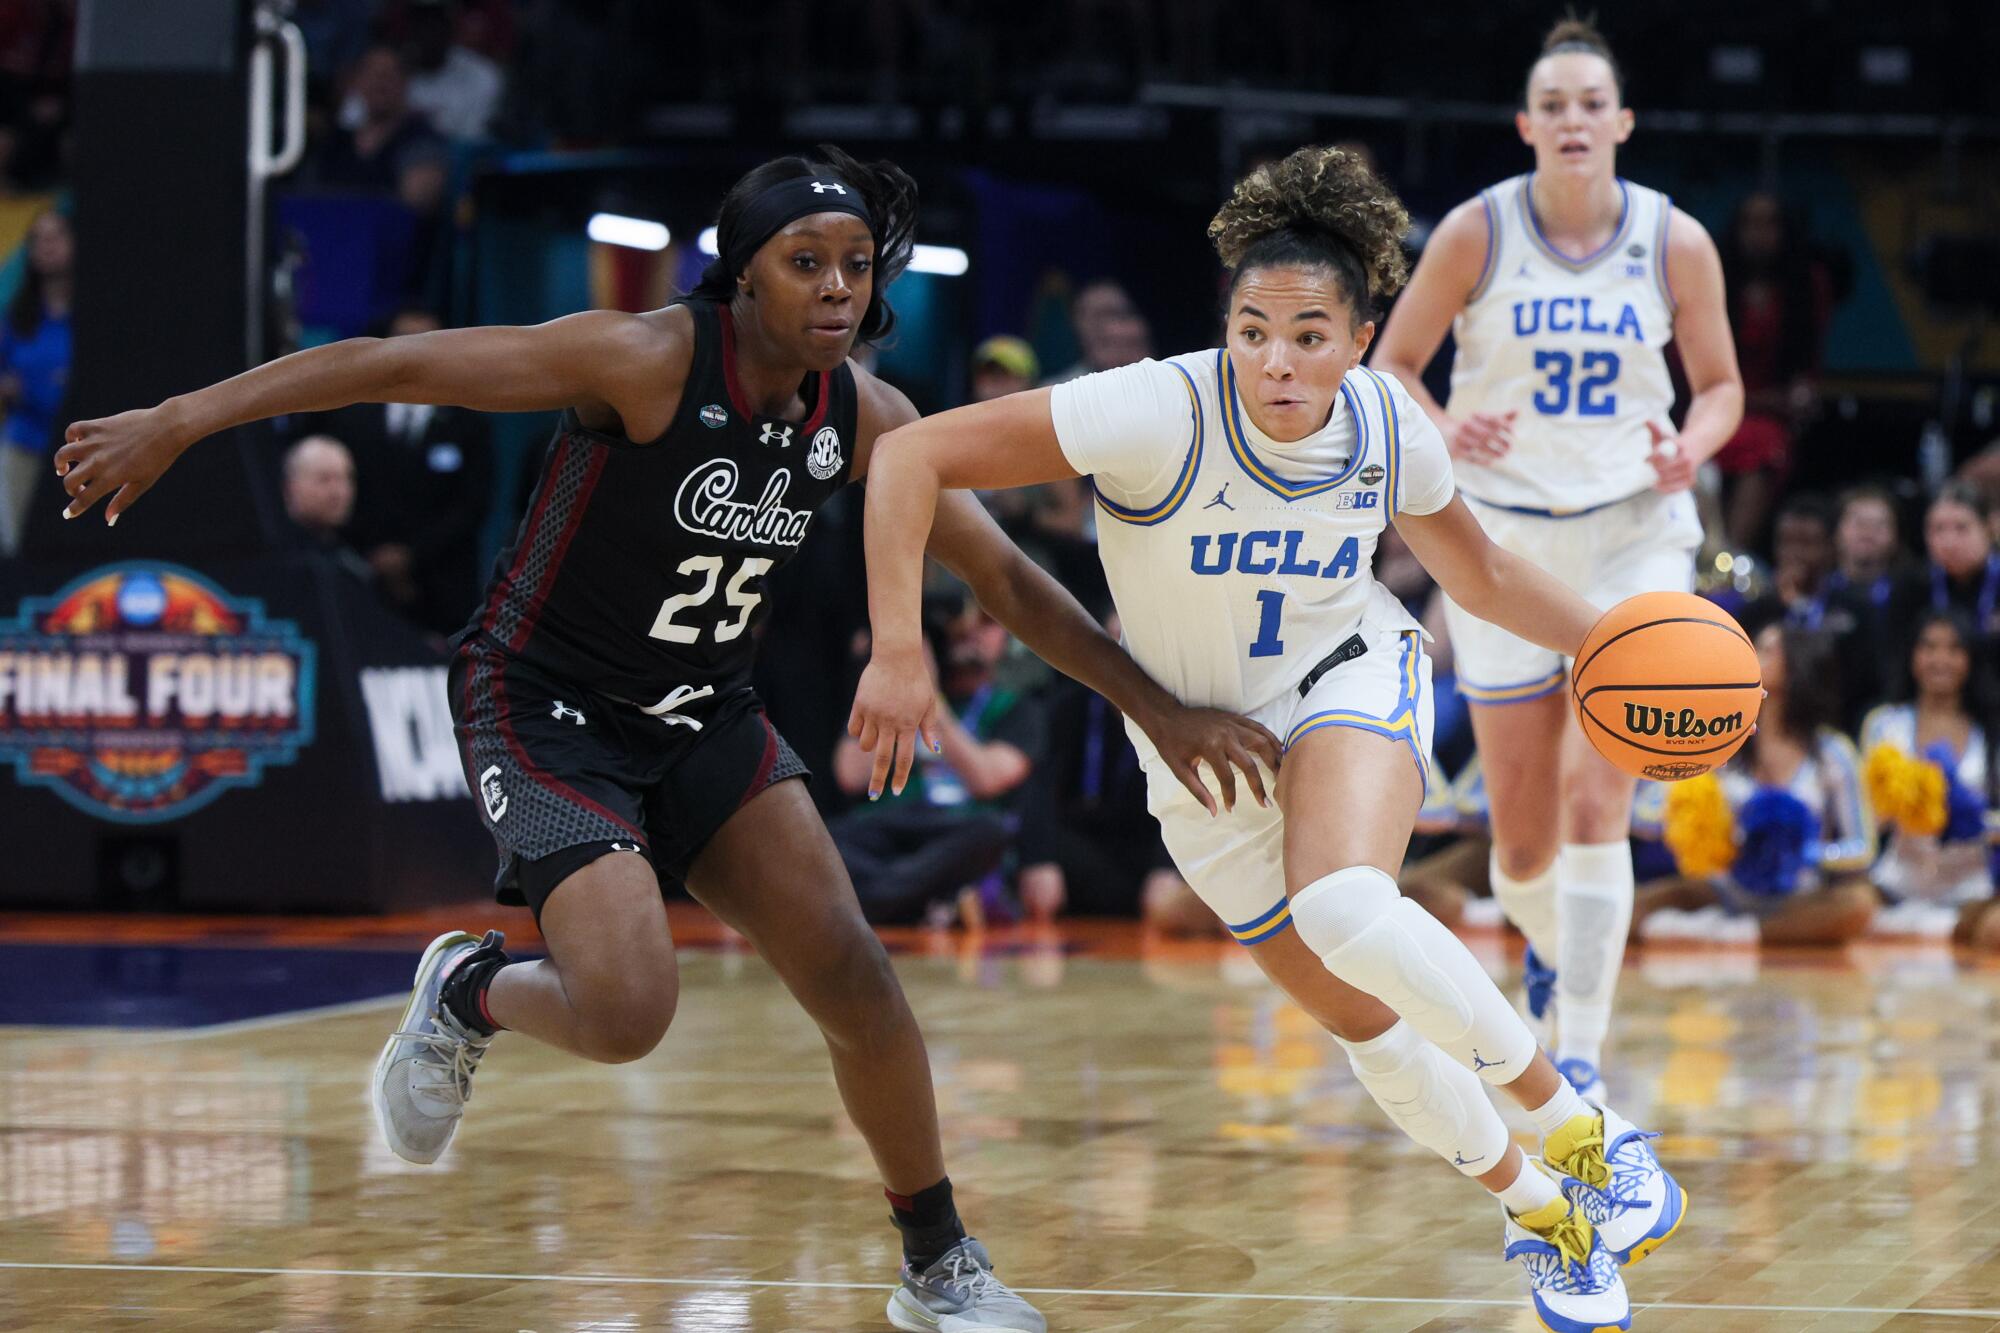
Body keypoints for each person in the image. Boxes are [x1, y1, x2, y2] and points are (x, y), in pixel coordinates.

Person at [54, 145, 1283, 1333]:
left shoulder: (866, 415)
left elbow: (1008, 581)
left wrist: (1158, 709)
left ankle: (937, 1261)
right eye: (806, 262)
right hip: (543, 701)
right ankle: (468, 989)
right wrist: (180, 418)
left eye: (856, 263)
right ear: (742, 272)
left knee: (856, 975)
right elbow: (395, 363)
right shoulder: (642, 359)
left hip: (702, 711)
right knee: (626, 1008)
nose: (838, 288)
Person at [851, 143, 1688, 1332]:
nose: (1275, 359)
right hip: (1197, 755)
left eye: (1306, 335)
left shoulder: (1388, 422)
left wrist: (1617, 641)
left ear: (1359, 340)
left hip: (1347, 674)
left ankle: (1588, 1139)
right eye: (1251, 331)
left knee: (1343, 903)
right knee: (1366, 1024)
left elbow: (1485, 575)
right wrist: (899, 647)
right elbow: (908, 454)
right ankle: (1542, 1212)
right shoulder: (1155, 405)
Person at [1371, 16, 1744, 1101]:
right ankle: (1549, 948)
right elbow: (1394, 365)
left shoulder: (1674, 239)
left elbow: (1721, 387)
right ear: (1526, 125)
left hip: (1634, 532)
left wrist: (1693, 446)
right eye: (1554, 105)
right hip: (1502, 542)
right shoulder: (1476, 231)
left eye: (1591, 103)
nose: (1573, 119)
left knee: (1596, 801)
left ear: (1620, 122)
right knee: (1524, 846)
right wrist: (1448, 426)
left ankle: (1577, 1048)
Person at [1635, 622, 1876, 945]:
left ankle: (1740, 933)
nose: (1752, 655)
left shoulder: (1833, 752)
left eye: (1767, 649)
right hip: (1721, 888)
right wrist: (1709, 832)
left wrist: (1805, 852)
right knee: (1635, 906)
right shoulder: (1716, 740)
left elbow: (1863, 849)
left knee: (1859, 903)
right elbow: (1643, 815)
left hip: (1800, 897)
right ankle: (1729, 932)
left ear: (1799, 662)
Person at [829, 595, 1042, 926]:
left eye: (986, 622)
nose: (970, 632)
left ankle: (876, 901)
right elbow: (850, 774)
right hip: (894, 821)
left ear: (1006, 638)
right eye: (958, 623)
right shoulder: (886, 696)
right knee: (825, 839)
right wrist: (902, 680)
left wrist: (930, 697)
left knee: (992, 832)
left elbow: (986, 779)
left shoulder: (1017, 709)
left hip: (957, 827)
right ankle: (930, 901)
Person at [309, 306, 495, 636]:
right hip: (357, 577)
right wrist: (373, 556)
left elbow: (473, 504)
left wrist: (411, 556)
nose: (416, 350)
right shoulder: (350, 416)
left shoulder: (469, 421)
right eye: (406, 339)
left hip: (442, 589)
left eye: (429, 340)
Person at [1861, 610, 1997, 934]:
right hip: (1893, 888)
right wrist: (1902, 805)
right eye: (1929, 647)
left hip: (1972, 895)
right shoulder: (1884, 724)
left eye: (1954, 649)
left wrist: (1972, 820)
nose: (1940, 660)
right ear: (1912, 655)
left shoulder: (1991, 731)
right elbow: (1865, 821)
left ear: (1970, 659)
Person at [1713, 191, 1830, 551]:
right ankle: (1708, 553)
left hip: (1770, 418)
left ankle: (1730, 555)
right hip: (1714, 406)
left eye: (1769, 224)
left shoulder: (1808, 285)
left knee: (1764, 443)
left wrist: (1801, 392)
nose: (1758, 235)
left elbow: (1810, 360)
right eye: (1750, 224)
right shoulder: (1713, 280)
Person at [0, 207, 70, 556]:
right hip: (25, 443)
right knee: (13, 545)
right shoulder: (17, 315)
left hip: (83, 449)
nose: (47, 246)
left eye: (55, 237)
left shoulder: (93, 316)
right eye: (38, 240)